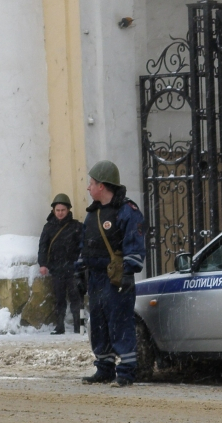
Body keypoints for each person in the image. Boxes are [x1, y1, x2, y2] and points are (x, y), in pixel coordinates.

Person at [79, 161, 146, 387]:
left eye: (91, 183)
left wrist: (128, 273)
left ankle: (126, 372)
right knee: (99, 323)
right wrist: (81, 269)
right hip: (96, 278)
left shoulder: (127, 211)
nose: (88, 188)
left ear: (102, 185)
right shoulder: (93, 213)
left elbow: (134, 245)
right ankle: (104, 368)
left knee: (120, 322)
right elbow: (86, 244)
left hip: (116, 277)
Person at [38, 193, 84, 334]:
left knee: (76, 298)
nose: (60, 213)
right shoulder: (48, 227)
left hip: (73, 268)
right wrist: (43, 264)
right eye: (57, 210)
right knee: (59, 299)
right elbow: (43, 247)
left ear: (68, 210)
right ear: (53, 211)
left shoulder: (76, 226)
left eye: (63, 210)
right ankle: (59, 326)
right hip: (57, 269)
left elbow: (83, 245)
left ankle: (78, 325)